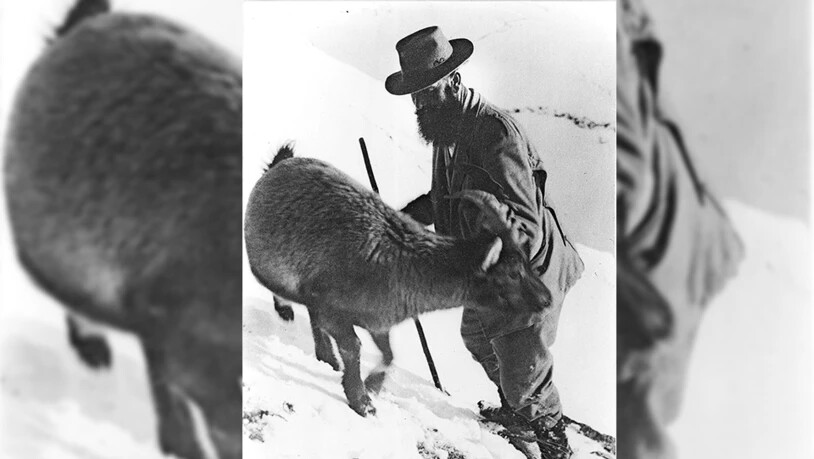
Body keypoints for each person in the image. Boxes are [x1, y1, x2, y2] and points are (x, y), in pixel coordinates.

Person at [386, 26, 585, 459]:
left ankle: (553, 443)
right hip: (485, 269)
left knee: (524, 371)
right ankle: (520, 412)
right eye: (415, 96)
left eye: (428, 92)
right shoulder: (446, 130)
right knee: (477, 337)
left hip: (527, 270)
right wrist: (401, 220)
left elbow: (526, 226)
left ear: (454, 82)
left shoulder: (494, 134)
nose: (420, 104)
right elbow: (443, 198)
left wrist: (479, 247)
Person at [616, 1, 745, 457]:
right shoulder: (636, 55)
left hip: (665, 272)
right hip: (673, 262)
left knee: (646, 412)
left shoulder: (628, 61)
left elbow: (629, 177)